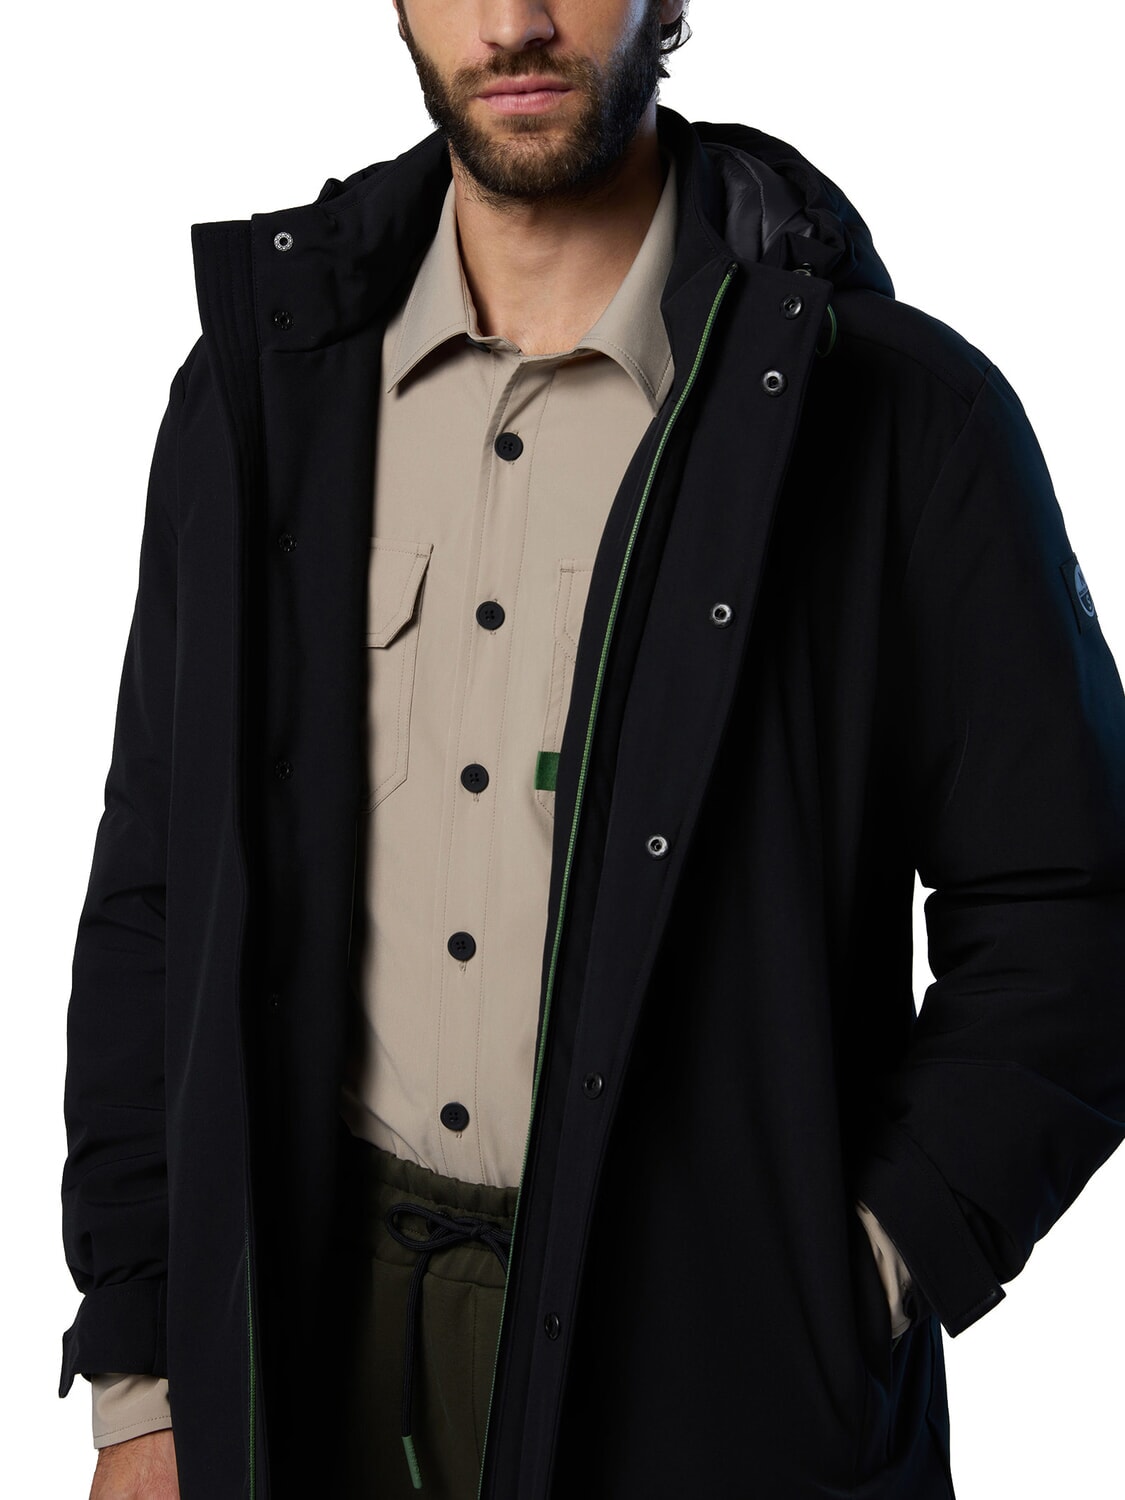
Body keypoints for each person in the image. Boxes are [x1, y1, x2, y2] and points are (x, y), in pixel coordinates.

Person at [60, 1, 1125, 1497]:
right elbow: (157, 890)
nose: (513, 23)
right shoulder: (261, 393)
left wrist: (858, 1277)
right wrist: (144, 1371)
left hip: (702, 1364)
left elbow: (1076, 911)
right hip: (299, 1336)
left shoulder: (893, 415)